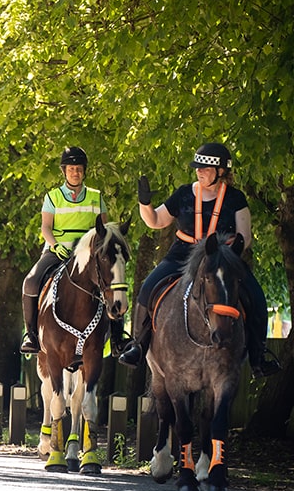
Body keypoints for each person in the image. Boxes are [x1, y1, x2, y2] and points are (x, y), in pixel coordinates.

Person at [118, 142, 281, 378]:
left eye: (205, 168)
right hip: (182, 253)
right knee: (147, 288)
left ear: (221, 171)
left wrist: (230, 251)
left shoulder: (236, 198)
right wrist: (145, 202)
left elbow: (245, 237)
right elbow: (155, 221)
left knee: (255, 294)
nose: (199, 171)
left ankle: (258, 356)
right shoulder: (184, 193)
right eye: (198, 167)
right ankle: (138, 345)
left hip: (221, 258)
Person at [20, 146, 131, 354]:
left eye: (79, 169)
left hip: (88, 254)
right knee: (31, 282)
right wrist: (55, 246)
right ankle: (32, 336)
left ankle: (117, 338)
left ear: (84, 171)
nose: (75, 173)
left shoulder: (96, 197)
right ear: (64, 171)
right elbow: (45, 227)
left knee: (114, 280)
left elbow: (104, 231)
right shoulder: (53, 197)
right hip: (58, 250)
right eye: (71, 169)